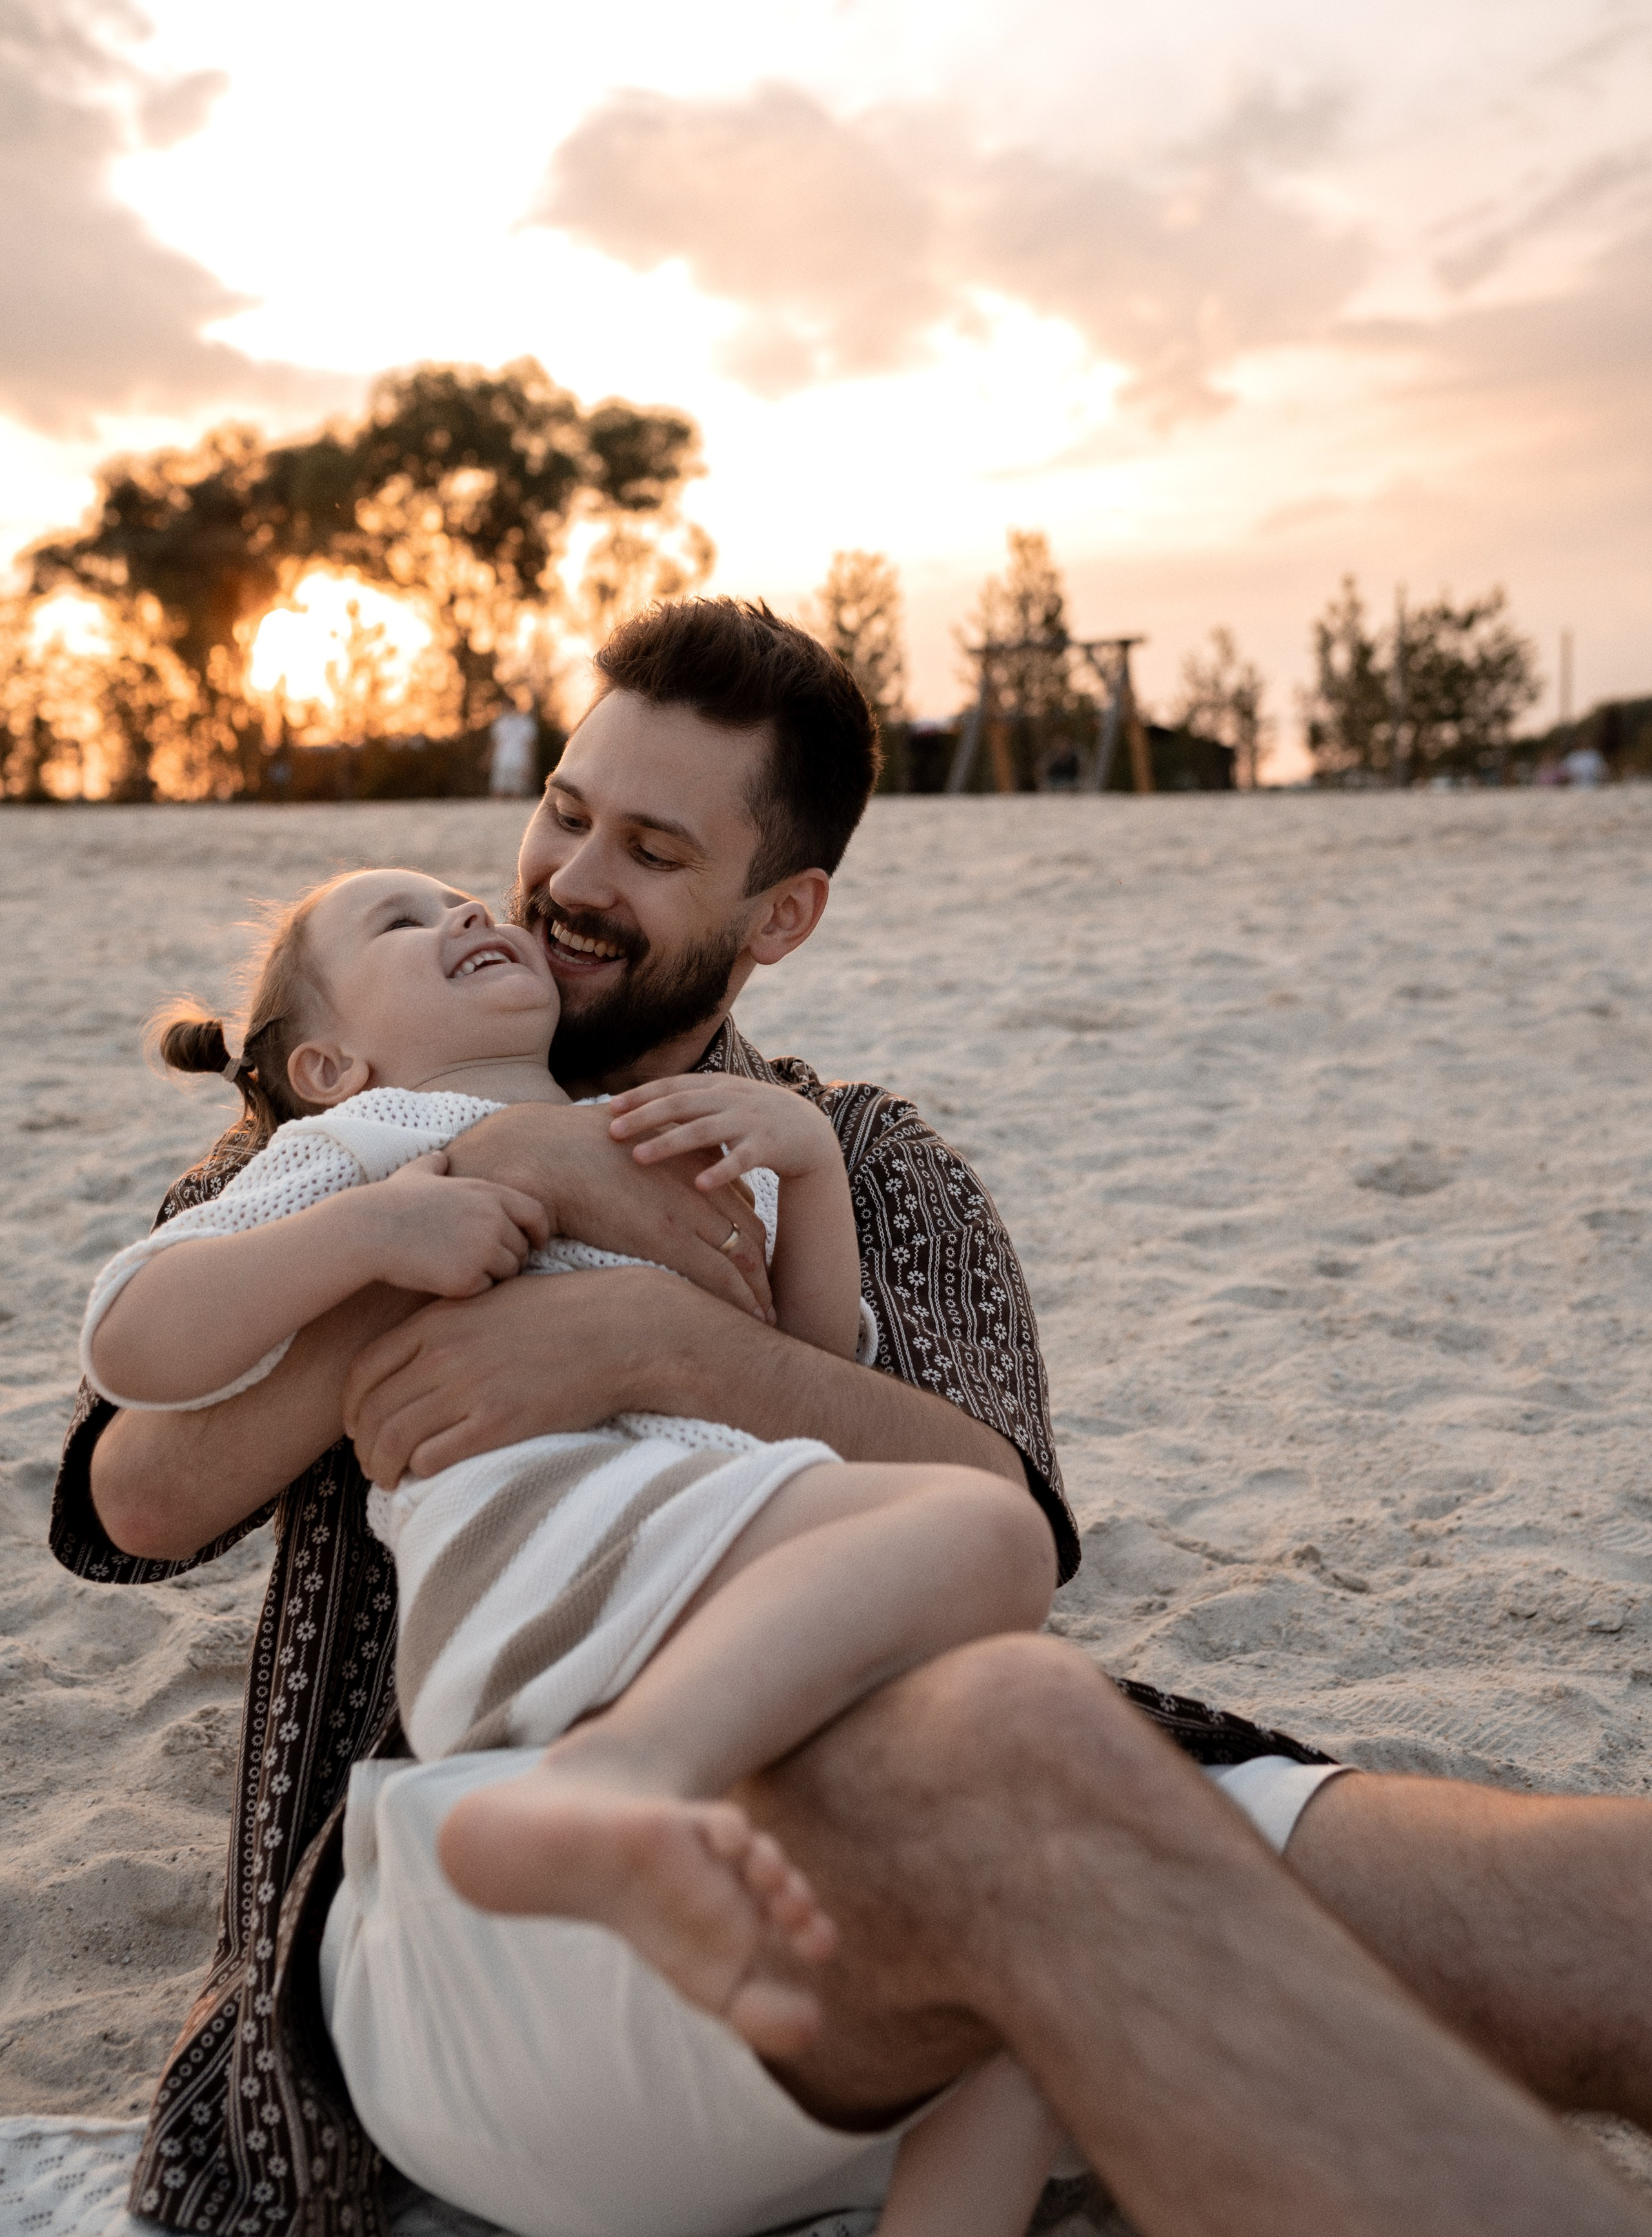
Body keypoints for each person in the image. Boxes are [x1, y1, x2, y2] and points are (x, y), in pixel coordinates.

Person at [55, 600, 1652, 2237]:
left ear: (782, 911)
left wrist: (657, 1342)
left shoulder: (859, 1158)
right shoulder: (352, 1097)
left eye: (654, 850)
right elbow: (132, 1500)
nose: (568, 883)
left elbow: (998, 1512)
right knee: (1018, 1752)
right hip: (469, 1882)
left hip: (944, 1790)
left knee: (1576, 1907)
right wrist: (483, 1191)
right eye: (565, 814)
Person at [79, 858, 1068, 2231]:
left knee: (1026, 1979)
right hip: (550, 1563)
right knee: (983, 1536)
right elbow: (134, 1340)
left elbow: (810, 1373)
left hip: (707, 1572)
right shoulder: (369, 1138)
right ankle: (606, 1785)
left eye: (461, 901)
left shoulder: (663, 1125)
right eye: (406, 919)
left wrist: (807, 1165)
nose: (473, 912)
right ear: (326, 1061)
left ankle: (643, 1800)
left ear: (779, 904)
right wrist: (380, 1225)